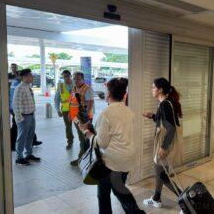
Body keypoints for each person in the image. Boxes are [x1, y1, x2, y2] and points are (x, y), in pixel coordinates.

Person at [78, 78, 145, 214]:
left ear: (108, 94)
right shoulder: (129, 111)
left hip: (112, 162)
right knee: (107, 191)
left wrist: (85, 131)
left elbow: (101, 143)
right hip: (127, 158)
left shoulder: (106, 114)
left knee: (119, 192)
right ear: (124, 95)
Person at [142, 77, 182, 208]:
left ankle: (185, 201)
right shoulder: (166, 103)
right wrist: (153, 116)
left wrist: (164, 148)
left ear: (160, 90)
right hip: (164, 142)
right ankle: (156, 198)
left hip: (165, 144)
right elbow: (165, 123)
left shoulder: (165, 105)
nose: (151, 90)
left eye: (153, 87)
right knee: (159, 171)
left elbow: (170, 128)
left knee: (162, 175)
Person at [13, 69, 41, 166]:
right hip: (24, 117)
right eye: (30, 75)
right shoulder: (20, 88)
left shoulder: (28, 86)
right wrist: (20, 119)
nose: (32, 77)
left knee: (30, 136)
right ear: (23, 77)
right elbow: (16, 104)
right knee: (22, 137)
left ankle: (29, 154)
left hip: (31, 115)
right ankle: (19, 157)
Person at [69, 71, 94, 166]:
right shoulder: (74, 88)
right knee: (82, 138)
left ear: (83, 79)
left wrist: (86, 118)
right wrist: (70, 114)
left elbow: (90, 103)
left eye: (78, 79)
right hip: (75, 117)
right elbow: (72, 101)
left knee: (83, 138)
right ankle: (85, 158)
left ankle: (82, 159)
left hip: (83, 118)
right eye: (74, 78)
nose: (75, 80)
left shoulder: (87, 89)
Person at [54, 70, 74, 150]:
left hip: (76, 109)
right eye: (64, 76)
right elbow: (56, 98)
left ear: (70, 76)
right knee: (68, 127)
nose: (66, 78)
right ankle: (70, 141)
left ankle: (83, 143)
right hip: (65, 110)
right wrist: (58, 110)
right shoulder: (61, 86)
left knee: (79, 127)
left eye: (67, 76)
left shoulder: (75, 84)